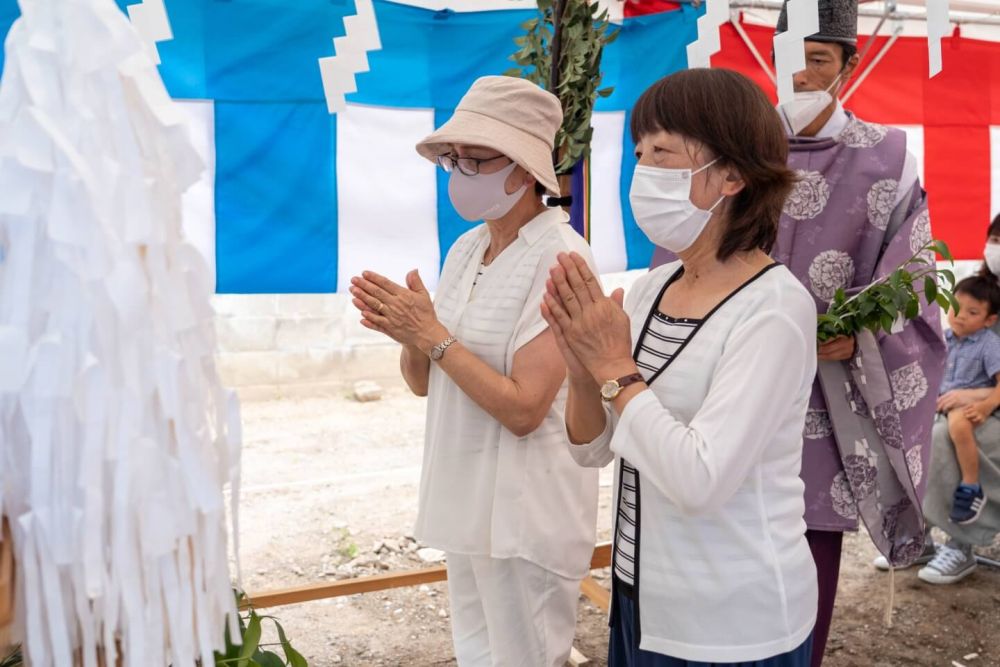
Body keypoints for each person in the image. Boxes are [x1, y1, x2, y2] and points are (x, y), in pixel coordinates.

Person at [651, 2, 945, 663]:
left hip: (829, 387)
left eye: (819, 58)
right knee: (711, 503)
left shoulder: (888, 155)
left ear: (847, 65)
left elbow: (915, 269)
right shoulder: (735, 145)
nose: (803, 73)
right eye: (792, 56)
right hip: (726, 364)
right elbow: (682, 237)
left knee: (807, 537)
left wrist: (860, 336)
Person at [544, 68, 818, 666]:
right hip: (639, 592)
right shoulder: (652, 287)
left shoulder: (773, 309)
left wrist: (614, 367)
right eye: (639, 152)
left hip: (731, 619)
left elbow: (700, 480)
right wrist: (582, 370)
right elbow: (595, 450)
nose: (641, 170)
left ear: (733, 176)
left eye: (662, 152)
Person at [348, 76, 599, 666]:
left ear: (522, 167)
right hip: (465, 503)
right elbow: (423, 381)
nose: (460, 172)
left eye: (475, 159)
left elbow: (524, 408)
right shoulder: (465, 249)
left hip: (525, 516)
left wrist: (432, 336)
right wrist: (411, 335)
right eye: (452, 160)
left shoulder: (562, 257)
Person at [937, 276, 1000, 524]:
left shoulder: (989, 344)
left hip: (971, 404)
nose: (960, 315)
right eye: (956, 305)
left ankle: (971, 486)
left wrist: (985, 406)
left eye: (972, 312)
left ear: (989, 320)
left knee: (958, 423)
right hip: (944, 402)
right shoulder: (942, 338)